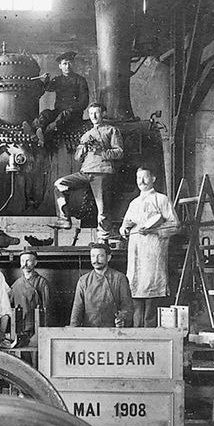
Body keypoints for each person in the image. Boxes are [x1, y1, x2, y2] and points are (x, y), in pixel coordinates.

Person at [120, 167, 181, 327]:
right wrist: (125, 228)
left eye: (145, 177)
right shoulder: (134, 203)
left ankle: (149, 333)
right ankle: (136, 334)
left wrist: (154, 229)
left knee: (151, 296)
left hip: (153, 253)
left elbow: (175, 225)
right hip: (136, 253)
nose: (141, 181)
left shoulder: (161, 199)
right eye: (138, 178)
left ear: (153, 178)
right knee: (135, 294)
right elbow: (123, 228)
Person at [53, 102, 124, 237]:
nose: (94, 116)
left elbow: (119, 152)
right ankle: (64, 218)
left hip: (102, 172)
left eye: (96, 113)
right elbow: (77, 158)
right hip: (85, 172)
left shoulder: (111, 130)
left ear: (103, 113)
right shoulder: (86, 135)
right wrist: (82, 149)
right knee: (59, 184)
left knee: (102, 211)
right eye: (91, 113)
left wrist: (101, 151)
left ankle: (103, 239)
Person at [26, 51, 90, 146]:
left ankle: (46, 132)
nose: (67, 66)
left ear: (74, 64)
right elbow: (48, 88)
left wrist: (72, 109)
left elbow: (84, 101)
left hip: (74, 114)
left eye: (70, 63)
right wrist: (45, 80)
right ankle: (35, 130)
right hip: (58, 112)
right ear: (60, 66)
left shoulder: (80, 80)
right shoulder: (58, 80)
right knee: (46, 113)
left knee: (64, 115)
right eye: (64, 64)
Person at [69, 242, 133, 327]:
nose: (96, 260)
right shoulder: (83, 280)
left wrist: (122, 319)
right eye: (93, 256)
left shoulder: (120, 278)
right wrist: (73, 330)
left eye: (100, 256)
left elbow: (127, 306)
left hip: (114, 331)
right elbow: (77, 309)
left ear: (108, 257)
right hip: (90, 332)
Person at [9, 247, 52, 345]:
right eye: (22, 261)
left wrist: (44, 330)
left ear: (35, 262)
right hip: (19, 328)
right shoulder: (16, 284)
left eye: (28, 261)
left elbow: (46, 307)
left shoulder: (42, 282)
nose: (24, 264)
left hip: (36, 327)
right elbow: (7, 304)